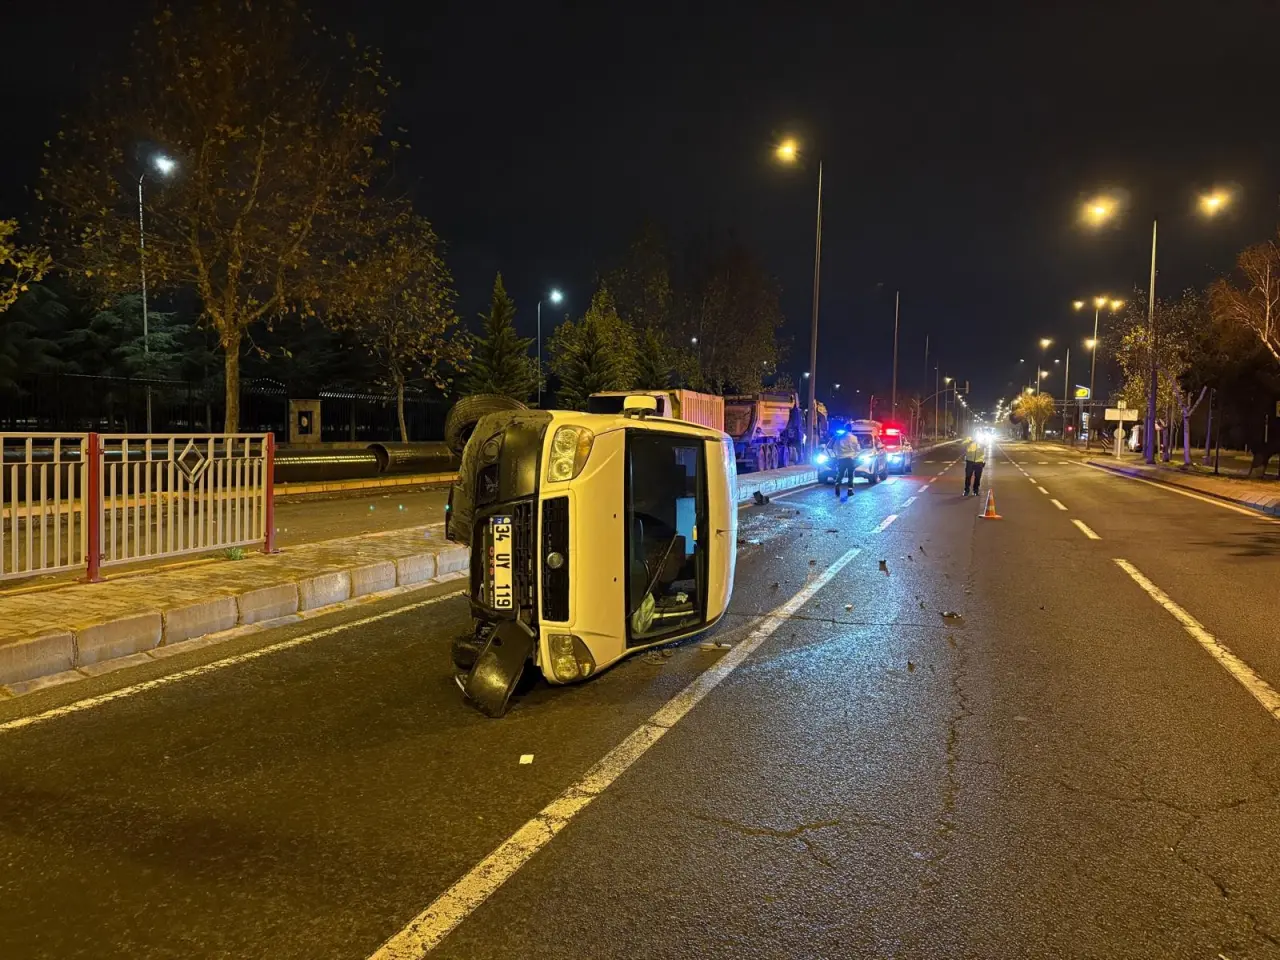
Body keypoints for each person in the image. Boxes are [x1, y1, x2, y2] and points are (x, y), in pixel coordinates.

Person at [831, 430, 860, 500]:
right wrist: (854, 455)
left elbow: (834, 448)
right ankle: (850, 490)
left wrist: (837, 455)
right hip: (850, 459)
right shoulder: (854, 438)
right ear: (851, 430)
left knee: (840, 474)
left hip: (841, 459)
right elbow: (858, 449)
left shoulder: (839, 438)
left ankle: (837, 484)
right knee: (850, 475)